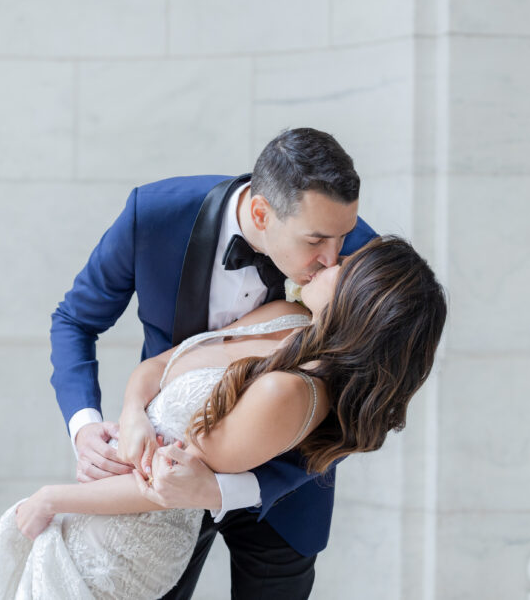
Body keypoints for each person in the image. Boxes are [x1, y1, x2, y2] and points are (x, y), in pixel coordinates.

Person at [0, 236, 448, 599]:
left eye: (346, 265)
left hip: (129, 542)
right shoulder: (284, 314)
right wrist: (132, 414)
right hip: (92, 512)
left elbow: (166, 485)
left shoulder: (290, 392)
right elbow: (157, 366)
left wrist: (52, 498)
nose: (332, 257)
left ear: (362, 300)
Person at [52, 127, 374, 598]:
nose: (332, 259)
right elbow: (75, 321)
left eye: (342, 236)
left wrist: (230, 489)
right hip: (154, 476)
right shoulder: (155, 215)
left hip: (284, 488)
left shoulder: (358, 255)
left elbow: (363, 394)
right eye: (316, 241)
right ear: (262, 213)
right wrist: (85, 426)